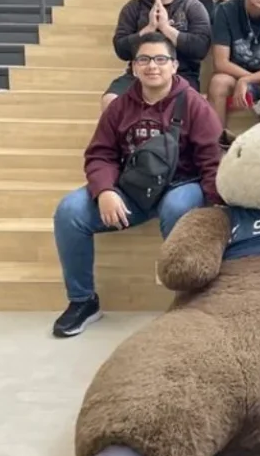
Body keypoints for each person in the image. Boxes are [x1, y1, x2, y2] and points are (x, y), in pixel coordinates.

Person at [52, 33, 223, 339]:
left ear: (174, 66)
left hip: (181, 184)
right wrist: (104, 190)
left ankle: (188, 298)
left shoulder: (194, 105)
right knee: (69, 211)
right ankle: (82, 301)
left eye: (160, 59)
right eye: (144, 60)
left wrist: (217, 209)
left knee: (176, 206)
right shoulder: (120, 107)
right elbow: (100, 154)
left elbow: (212, 160)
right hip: (133, 189)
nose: (152, 66)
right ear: (133, 67)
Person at [103, 0, 211, 111]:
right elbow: (121, 49)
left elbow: (201, 48)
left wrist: (166, 29)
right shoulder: (133, 7)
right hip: (140, 73)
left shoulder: (193, 7)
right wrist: (149, 29)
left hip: (181, 74)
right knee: (110, 100)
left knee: (176, 105)